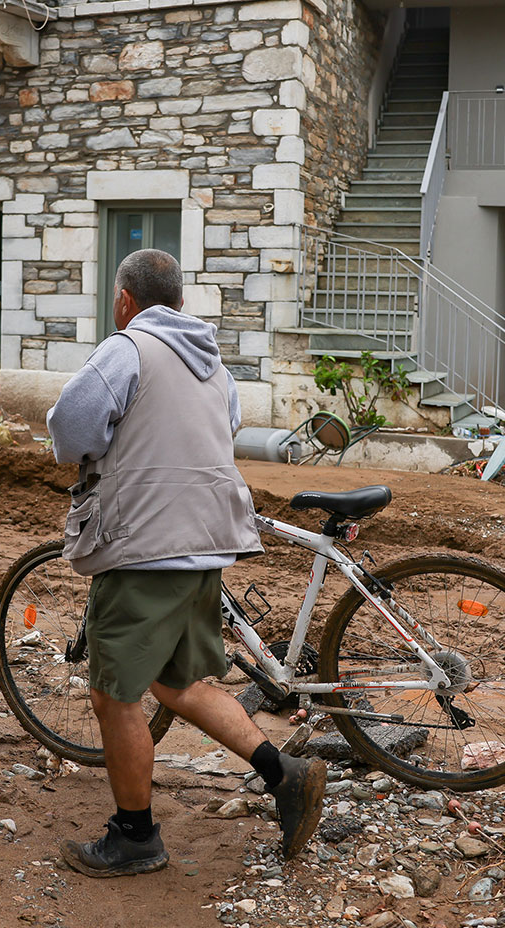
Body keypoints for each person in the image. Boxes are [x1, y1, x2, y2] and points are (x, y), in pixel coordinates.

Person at [45, 248, 327, 878]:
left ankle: (135, 837)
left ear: (125, 300)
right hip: (205, 541)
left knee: (113, 696)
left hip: (144, 545)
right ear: (179, 302)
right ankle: (287, 776)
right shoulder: (213, 366)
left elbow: (70, 430)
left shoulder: (126, 350)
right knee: (178, 684)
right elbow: (218, 431)